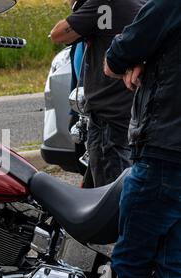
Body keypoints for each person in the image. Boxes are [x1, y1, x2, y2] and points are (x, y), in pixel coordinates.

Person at [104, 0, 181, 278]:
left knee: (131, 263)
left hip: (163, 154)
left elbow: (114, 58)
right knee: (173, 266)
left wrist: (141, 59)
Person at [50, 0, 146, 187]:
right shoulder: (146, 4)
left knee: (109, 192)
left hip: (108, 116)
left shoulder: (103, 5)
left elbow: (58, 34)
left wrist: (79, 6)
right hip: (135, 112)